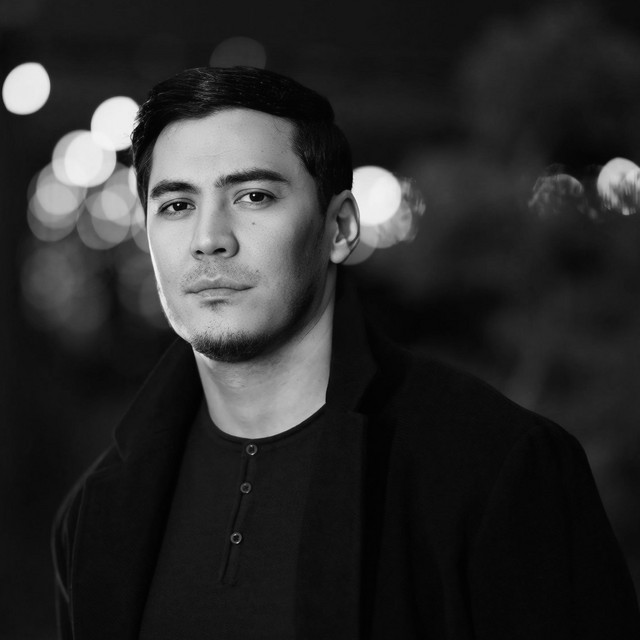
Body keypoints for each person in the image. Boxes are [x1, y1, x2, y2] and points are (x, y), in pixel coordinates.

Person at [52, 66, 640, 640]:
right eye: (177, 205)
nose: (209, 239)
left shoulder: (496, 468)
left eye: (253, 196)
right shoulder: (97, 511)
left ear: (339, 228)